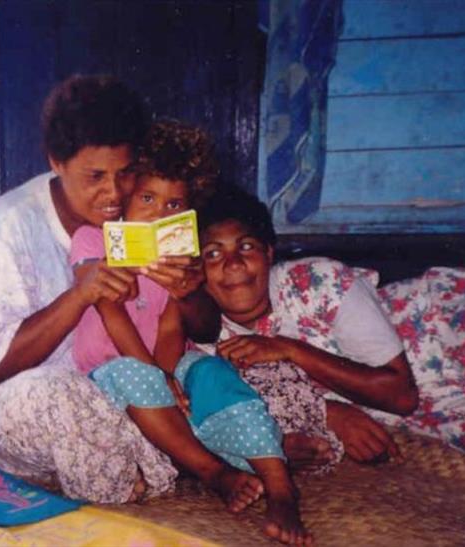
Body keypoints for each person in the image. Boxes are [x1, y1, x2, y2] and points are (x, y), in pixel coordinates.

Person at [0, 75, 265, 509]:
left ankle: (192, 454)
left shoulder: (146, 212)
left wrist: (188, 290)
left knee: (206, 370)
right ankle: (167, 465)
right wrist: (79, 295)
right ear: (56, 162)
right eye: (95, 176)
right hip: (28, 407)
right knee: (59, 394)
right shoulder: (10, 223)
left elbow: (204, 327)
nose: (113, 193)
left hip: (127, 385)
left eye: (125, 175)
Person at [70, 120, 312, 545]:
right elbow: (112, 312)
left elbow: (170, 324)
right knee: (133, 374)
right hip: (109, 371)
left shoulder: (179, 255)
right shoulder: (93, 241)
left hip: (164, 360)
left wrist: (172, 376)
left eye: (173, 205)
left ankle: (280, 488)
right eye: (147, 198)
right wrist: (155, 375)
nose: (159, 213)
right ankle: (213, 472)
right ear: (125, 196)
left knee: (213, 373)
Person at [198, 190, 465, 460]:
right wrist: (325, 413)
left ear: (269, 254)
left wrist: (290, 350)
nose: (233, 264)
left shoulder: (313, 280)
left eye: (246, 246)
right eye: (213, 253)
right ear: (195, 268)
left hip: (449, 325)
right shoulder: (209, 343)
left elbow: (401, 395)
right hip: (438, 408)